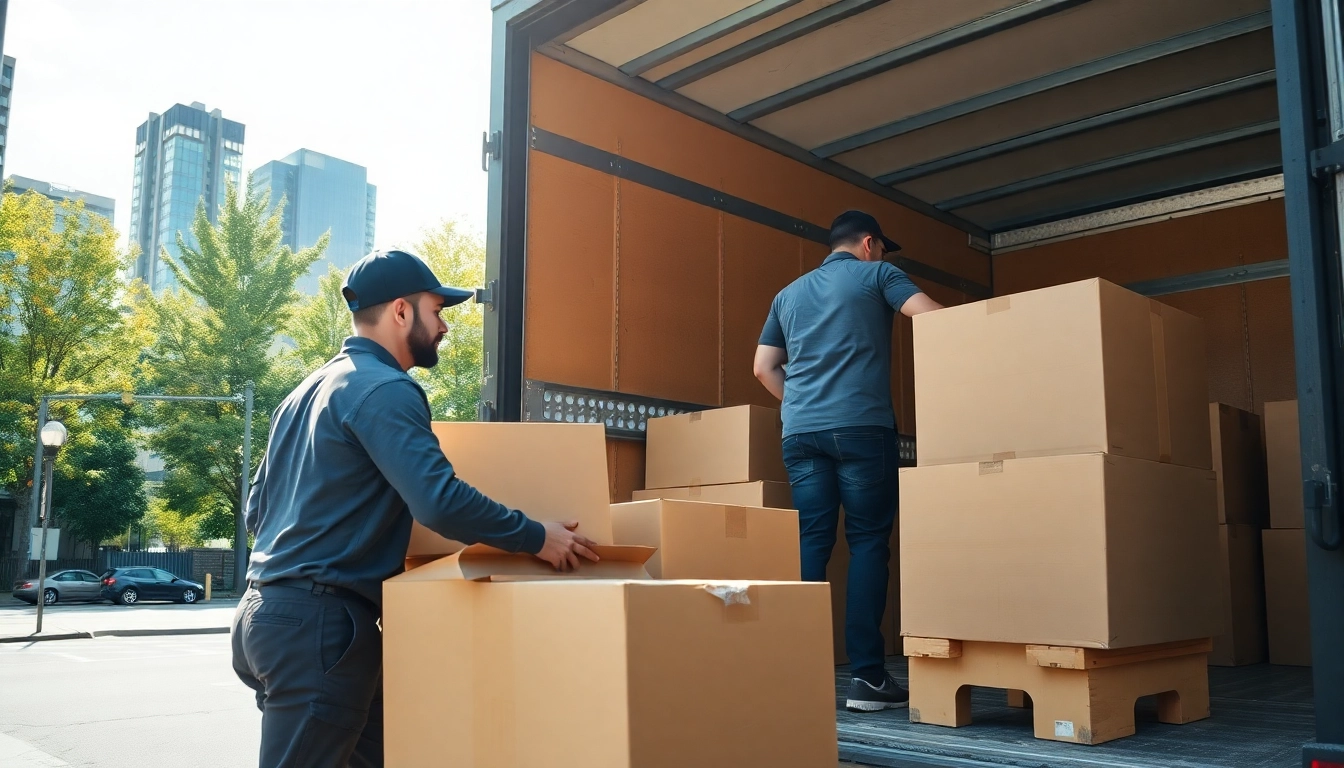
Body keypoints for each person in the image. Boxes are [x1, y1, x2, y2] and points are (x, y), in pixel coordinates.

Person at [232, 249, 599, 767]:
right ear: (401, 311)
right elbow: (439, 503)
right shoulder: (385, 389)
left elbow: (255, 512)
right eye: (437, 310)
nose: (444, 325)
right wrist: (538, 537)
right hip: (319, 627)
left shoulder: (302, 394)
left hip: (267, 616)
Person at [754, 210, 942, 713]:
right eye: (879, 249)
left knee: (811, 542)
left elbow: (763, 367)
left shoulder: (787, 295)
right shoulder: (878, 274)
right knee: (867, 543)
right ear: (869, 243)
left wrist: (801, 405)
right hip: (861, 427)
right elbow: (933, 318)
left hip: (800, 433)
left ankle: (797, 673)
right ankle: (867, 679)